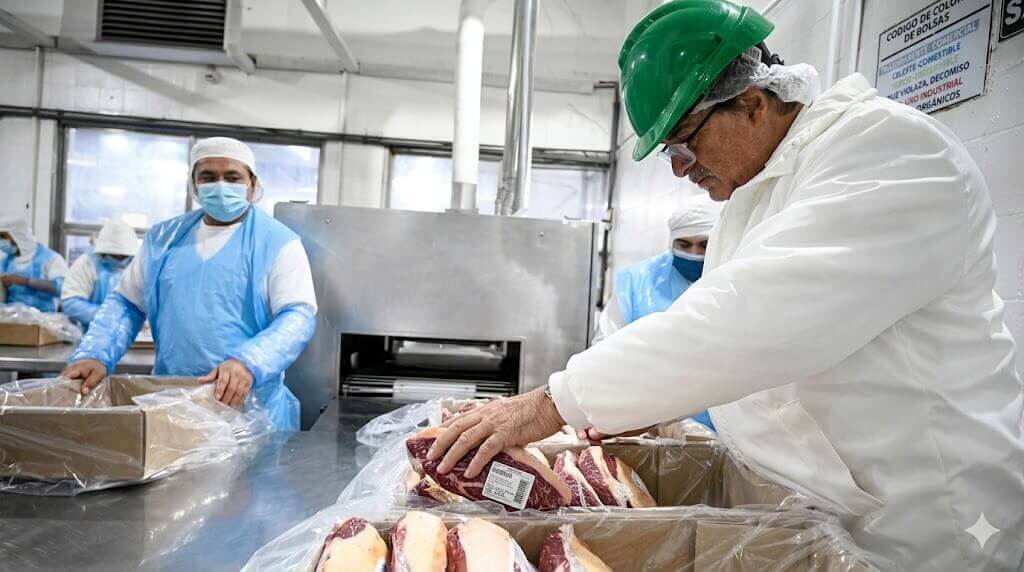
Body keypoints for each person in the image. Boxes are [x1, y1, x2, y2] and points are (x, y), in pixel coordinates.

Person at [423, 1, 1024, 570]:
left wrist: (553, 402)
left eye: (685, 139)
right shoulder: (759, 193)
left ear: (754, 102)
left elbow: (755, 321)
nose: (681, 168)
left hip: (925, 526)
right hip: (823, 512)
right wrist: (642, 399)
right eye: (669, 153)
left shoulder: (892, 153)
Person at [61, 137, 318, 431]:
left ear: (252, 183)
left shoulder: (277, 242)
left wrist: (249, 362)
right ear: (194, 185)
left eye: (232, 177)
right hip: (172, 403)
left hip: (250, 412)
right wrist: (96, 354)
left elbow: (298, 316)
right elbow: (126, 304)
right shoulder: (163, 240)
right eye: (208, 177)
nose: (220, 185)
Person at [595, 194, 721, 342]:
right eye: (684, 244)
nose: (694, 253)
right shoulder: (637, 281)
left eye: (704, 245)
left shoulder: (730, 279)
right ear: (671, 244)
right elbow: (604, 343)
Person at [61, 220, 140, 330]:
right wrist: (108, 316)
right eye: (115, 255)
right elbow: (71, 304)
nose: (120, 259)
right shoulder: (87, 264)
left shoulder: (136, 265)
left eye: (124, 255)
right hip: (92, 337)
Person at [0, 214, 69, 312]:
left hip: (44, 320)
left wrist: (26, 281)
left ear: (18, 235)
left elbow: (62, 288)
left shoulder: (50, 259)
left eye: (3, 236)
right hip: (12, 320)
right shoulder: (5, 262)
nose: (1, 241)